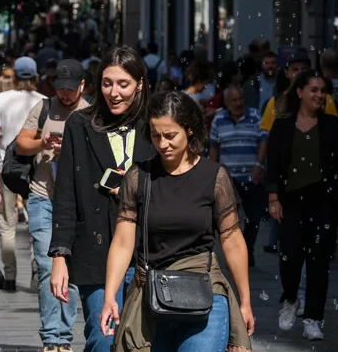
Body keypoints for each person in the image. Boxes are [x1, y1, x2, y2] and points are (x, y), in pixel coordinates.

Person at [101, 91, 254, 352]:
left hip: (204, 290)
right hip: (151, 293)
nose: (163, 144)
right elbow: (123, 242)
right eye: (156, 135)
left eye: (170, 135)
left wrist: (245, 300)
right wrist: (110, 296)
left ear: (190, 130)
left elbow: (232, 240)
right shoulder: (139, 176)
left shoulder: (214, 176)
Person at [49, 46, 155, 352]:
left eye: (123, 84)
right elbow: (66, 192)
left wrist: (135, 189)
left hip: (147, 250)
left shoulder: (154, 124)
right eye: (107, 83)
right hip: (95, 250)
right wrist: (59, 255)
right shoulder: (80, 124)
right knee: (102, 336)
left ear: (139, 84)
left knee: (142, 340)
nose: (114, 92)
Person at [266, 69, 338, 340]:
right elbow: (274, 164)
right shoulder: (283, 124)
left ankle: (313, 318)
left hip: (323, 202)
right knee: (289, 258)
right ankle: (290, 299)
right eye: (313, 89)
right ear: (299, 92)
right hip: (291, 201)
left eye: (322, 90)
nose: (319, 95)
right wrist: (273, 197)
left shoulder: (332, 126)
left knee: (318, 261)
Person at [15, 59, 88, 352]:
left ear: (82, 86)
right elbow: (21, 144)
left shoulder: (90, 112)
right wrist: (43, 143)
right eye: (61, 88)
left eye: (71, 89)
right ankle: (52, 337)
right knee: (47, 265)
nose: (66, 94)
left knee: (67, 267)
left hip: (76, 202)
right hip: (42, 196)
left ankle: (64, 336)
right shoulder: (44, 108)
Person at [0, 57, 46, 291]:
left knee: (7, 222)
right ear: (35, 77)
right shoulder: (44, 101)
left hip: (7, 168)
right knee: (37, 222)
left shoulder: (0, 99)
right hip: (36, 170)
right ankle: (36, 267)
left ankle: (9, 276)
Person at [208, 85, 266, 267]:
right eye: (234, 100)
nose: (238, 103)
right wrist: (213, 173)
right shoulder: (219, 119)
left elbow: (263, 142)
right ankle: (234, 253)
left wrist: (259, 165)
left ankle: (248, 250)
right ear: (226, 103)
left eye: (240, 98)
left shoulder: (255, 116)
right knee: (229, 219)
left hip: (252, 177)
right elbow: (214, 147)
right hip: (229, 179)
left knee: (253, 218)